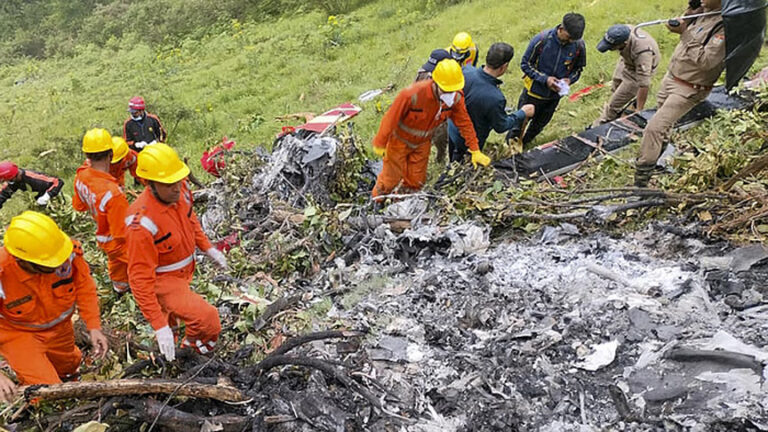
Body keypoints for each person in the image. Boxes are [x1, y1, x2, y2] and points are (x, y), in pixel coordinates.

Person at [125, 144, 227, 361]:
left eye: (178, 181)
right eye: (168, 183)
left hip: (183, 275)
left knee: (173, 322)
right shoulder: (141, 223)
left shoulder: (181, 192)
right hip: (163, 282)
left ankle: (173, 350)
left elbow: (191, 220)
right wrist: (158, 325)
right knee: (207, 319)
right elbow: (140, 279)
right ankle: (194, 354)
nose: (176, 187)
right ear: (149, 183)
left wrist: (208, 248)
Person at [0, 211, 107, 401]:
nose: (59, 265)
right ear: (23, 261)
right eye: (50, 265)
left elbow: (84, 285)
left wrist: (94, 326)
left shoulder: (65, 252)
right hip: (18, 335)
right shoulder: (2, 272)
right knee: (48, 392)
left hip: (60, 329)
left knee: (70, 366)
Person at [634, 0, 725, 187]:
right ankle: (657, 158)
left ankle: (641, 181)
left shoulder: (724, 26)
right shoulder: (701, 12)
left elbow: (707, 61)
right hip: (672, 77)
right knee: (663, 127)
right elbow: (683, 26)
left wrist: (685, 33)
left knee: (654, 128)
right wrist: (689, 12)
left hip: (690, 88)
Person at [371, 59, 490, 199]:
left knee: (416, 181)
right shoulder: (412, 94)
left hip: (422, 143)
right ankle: (376, 202)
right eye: (446, 90)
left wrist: (475, 149)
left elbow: (464, 123)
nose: (450, 93)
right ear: (435, 82)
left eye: (453, 89)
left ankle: (400, 205)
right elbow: (391, 117)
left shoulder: (455, 98)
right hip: (399, 141)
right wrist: (380, 142)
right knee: (389, 180)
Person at [448, 43, 536, 162]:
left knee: (453, 153)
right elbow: (501, 126)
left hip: (452, 128)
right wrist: (522, 113)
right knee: (461, 163)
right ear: (504, 66)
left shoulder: (465, 70)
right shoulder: (495, 98)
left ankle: (451, 163)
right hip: (469, 141)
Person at [73, 128, 131, 294]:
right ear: (111, 155)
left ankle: (120, 290)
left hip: (104, 238)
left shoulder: (81, 176)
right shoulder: (113, 194)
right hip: (118, 242)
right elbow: (122, 233)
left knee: (117, 267)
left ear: (87, 155)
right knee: (152, 265)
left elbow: (79, 206)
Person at [519, 13, 587, 145]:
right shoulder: (541, 40)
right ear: (561, 29)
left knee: (538, 125)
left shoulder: (578, 45)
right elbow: (525, 64)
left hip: (554, 96)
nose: (570, 41)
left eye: (574, 39)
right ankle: (511, 147)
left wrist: (569, 80)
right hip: (533, 92)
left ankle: (525, 144)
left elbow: (578, 69)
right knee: (520, 123)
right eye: (568, 38)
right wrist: (545, 79)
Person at [593, 24, 660, 126]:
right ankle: (620, 108)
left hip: (637, 71)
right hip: (627, 60)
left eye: (612, 47)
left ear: (624, 43)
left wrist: (639, 110)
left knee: (614, 104)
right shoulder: (623, 31)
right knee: (616, 84)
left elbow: (644, 84)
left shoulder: (643, 54)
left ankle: (602, 123)